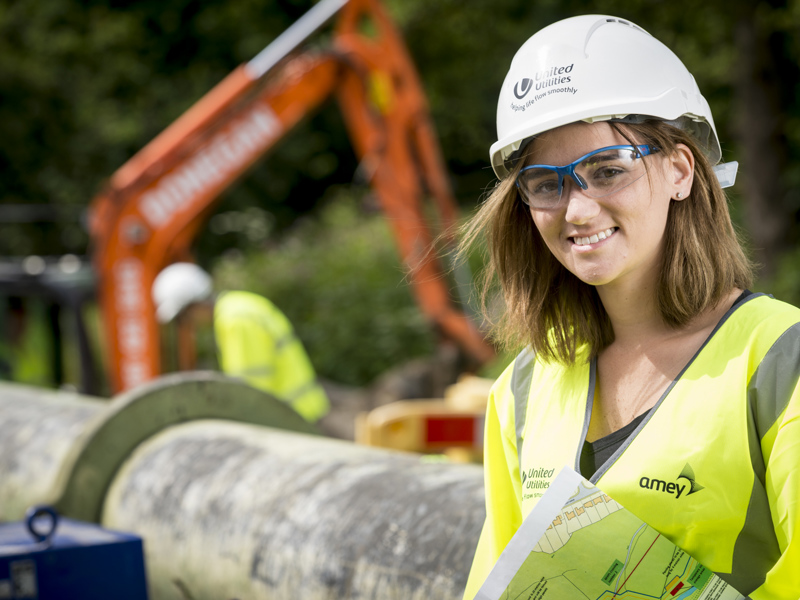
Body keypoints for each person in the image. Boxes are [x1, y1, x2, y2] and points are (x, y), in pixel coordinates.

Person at [462, 15, 799, 600]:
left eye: (607, 171)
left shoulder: (777, 361)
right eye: (547, 183)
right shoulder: (520, 391)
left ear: (679, 170)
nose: (578, 211)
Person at [151, 262, 330, 423]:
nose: (189, 325)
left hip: (291, 418)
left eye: (183, 318)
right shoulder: (238, 304)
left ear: (192, 306)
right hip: (302, 412)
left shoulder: (235, 321)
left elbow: (250, 389)